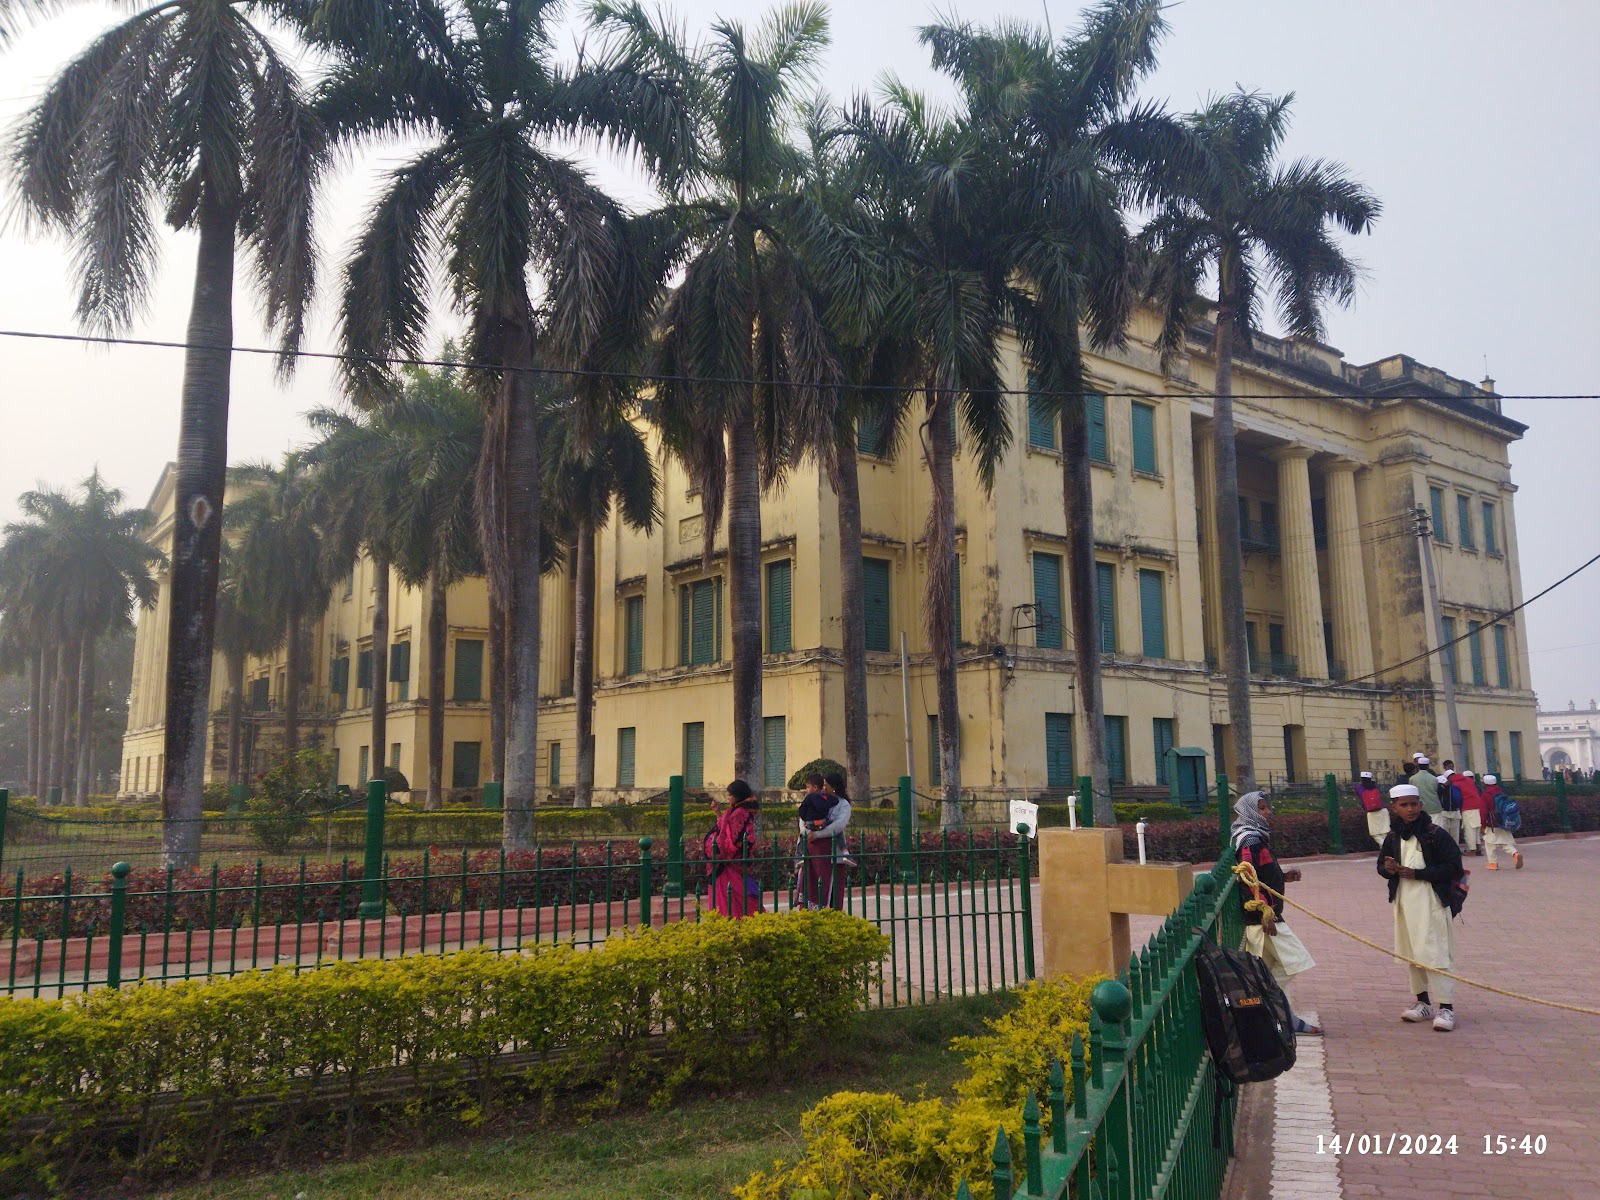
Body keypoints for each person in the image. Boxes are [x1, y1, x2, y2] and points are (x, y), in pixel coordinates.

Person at [1231, 790, 1321, 1035]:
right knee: (1294, 960)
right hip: (1262, 917)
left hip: (1265, 913)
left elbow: (1261, 874)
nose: (1267, 812)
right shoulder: (1248, 840)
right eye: (1261, 808)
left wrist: (1281, 878)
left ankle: (1278, 1016)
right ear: (1249, 811)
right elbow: (1248, 876)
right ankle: (1264, 1005)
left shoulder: (1257, 838)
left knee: (1269, 967)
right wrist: (1264, 909)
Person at [1377, 784, 1465, 1032]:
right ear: (1394, 807)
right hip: (1405, 902)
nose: (1410, 809)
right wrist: (1390, 869)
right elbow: (1380, 867)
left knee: (1436, 953)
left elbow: (1454, 866)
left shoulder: (1435, 834)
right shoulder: (1392, 837)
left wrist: (1419, 874)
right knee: (1412, 953)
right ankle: (1422, 1003)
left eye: (1414, 803)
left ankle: (1446, 1007)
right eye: (1404, 805)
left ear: (1421, 805)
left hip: (1432, 901)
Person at [705, 779, 763, 917]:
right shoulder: (736, 809)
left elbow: (733, 839)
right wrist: (718, 812)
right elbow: (726, 829)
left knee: (734, 895)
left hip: (731, 862)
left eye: (730, 795)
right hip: (733, 861)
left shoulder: (739, 812)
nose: (728, 797)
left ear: (738, 796)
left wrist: (719, 849)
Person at [797, 772, 836, 909]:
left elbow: (801, 812)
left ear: (814, 787)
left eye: (807, 787)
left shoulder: (810, 798)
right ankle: (820, 903)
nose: (806, 790)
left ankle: (808, 902)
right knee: (821, 873)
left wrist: (807, 824)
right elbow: (834, 802)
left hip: (811, 830)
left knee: (810, 871)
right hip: (822, 825)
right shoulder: (828, 798)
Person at [1479, 774, 1524, 871]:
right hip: (1503, 821)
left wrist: (1482, 825)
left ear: (1485, 784)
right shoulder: (1500, 793)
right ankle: (1515, 854)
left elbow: (1483, 812)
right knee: (1503, 842)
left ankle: (1493, 863)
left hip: (1492, 824)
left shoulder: (1485, 795)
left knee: (1489, 843)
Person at [1457, 769, 1489, 856]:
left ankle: (1471, 850)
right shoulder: (1476, 786)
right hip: (1478, 808)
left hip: (1468, 809)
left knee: (1469, 829)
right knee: (1477, 829)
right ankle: (1478, 847)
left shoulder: (1462, 784)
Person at [1354, 771, 1387, 846]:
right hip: (1382, 809)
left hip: (1371, 811)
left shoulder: (1359, 787)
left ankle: (1386, 848)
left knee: (1374, 834)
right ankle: (1385, 850)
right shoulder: (1374, 786)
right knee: (1384, 833)